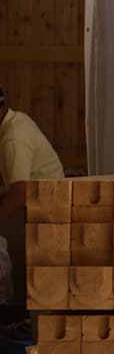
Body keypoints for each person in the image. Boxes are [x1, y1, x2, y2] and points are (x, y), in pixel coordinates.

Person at [0, 89, 65, 303]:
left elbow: (20, 193)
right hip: (34, 207)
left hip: (48, 211)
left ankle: (10, 310)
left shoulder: (13, 137)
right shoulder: (13, 120)